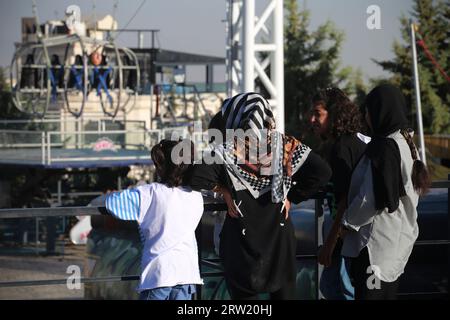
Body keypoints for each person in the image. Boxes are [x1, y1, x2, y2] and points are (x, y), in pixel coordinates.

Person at [190, 92, 331, 300]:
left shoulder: (225, 151)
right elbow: (322, 172)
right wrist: (290, 194)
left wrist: (225, 192)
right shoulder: (285, 145)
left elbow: (195, 178)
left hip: (241, 245)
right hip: (280, 243)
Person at [341, 84, 430, 300]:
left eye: (368, 111)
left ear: (380, 111)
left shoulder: (384, 147)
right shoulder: (406, 143)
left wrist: (346, 222)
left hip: (375, 248)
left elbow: (369, 199)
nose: (366, 117)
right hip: (396, 246)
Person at [105, 139, 204, 300]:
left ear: (162, 167)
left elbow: (112, 203)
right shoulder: (196, 196)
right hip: (188, 272)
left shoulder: (148, 194)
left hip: (159, 273)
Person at [309, 87, 368, 300]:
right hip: (351, 234)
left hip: (347, 236)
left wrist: (329, 244)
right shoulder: (353, 141)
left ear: (333, 115)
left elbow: (345, 200)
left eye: (318, 113)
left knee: (336, 289)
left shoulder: (341, 148)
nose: (312, 120)